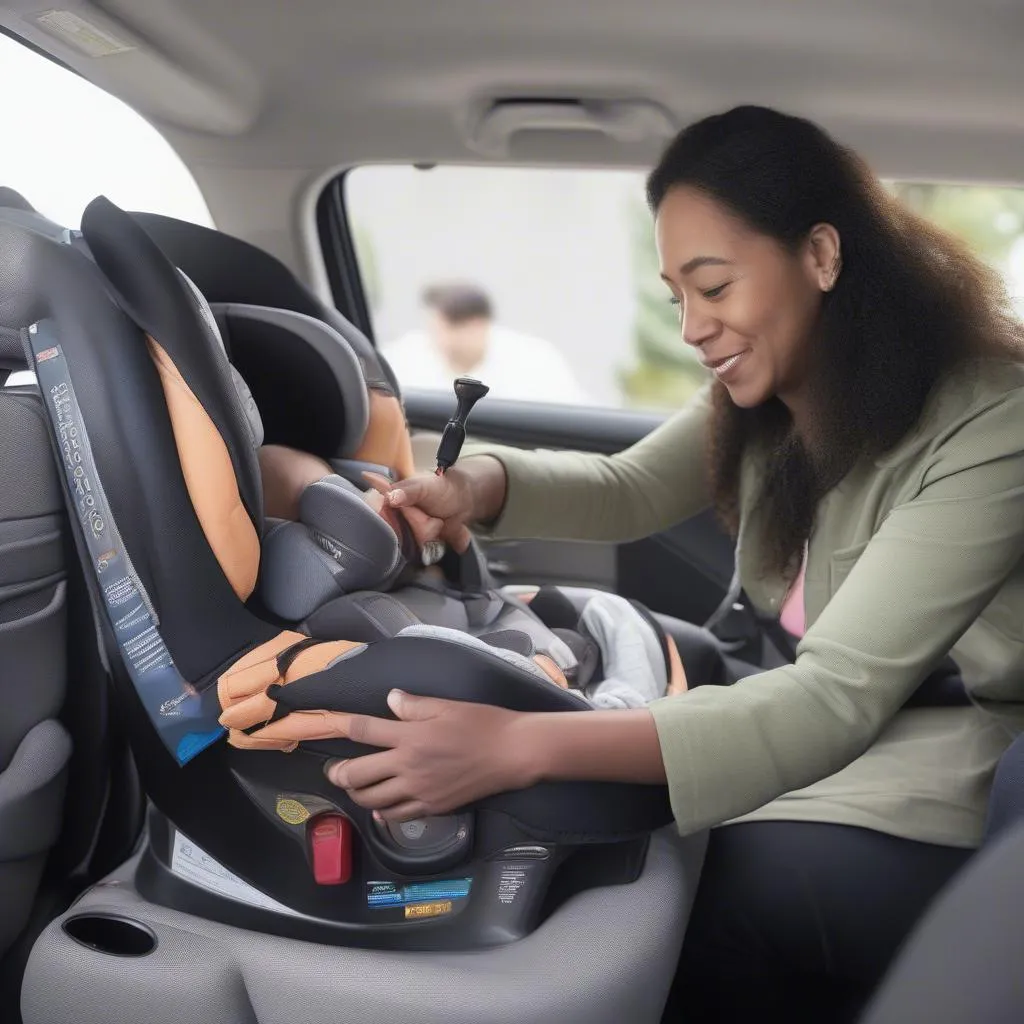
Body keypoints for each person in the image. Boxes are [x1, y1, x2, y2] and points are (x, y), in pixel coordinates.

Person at [324, 106, 1024, 1022]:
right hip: (828, 701)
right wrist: (478, 486)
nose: (694, 327)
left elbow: (835, 698)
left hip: (961, 753)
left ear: (821, 256)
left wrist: (515, 747)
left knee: (707, 890)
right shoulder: (782, 380)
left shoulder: (991, 418)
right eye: (677, 299)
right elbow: (626, 488)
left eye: (715, 286)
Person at [380, 282, 590, 404]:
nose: (438, 338)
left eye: (447, 328)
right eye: (434, 328)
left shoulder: (534, 360)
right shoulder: (407, 355)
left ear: (477, 326)